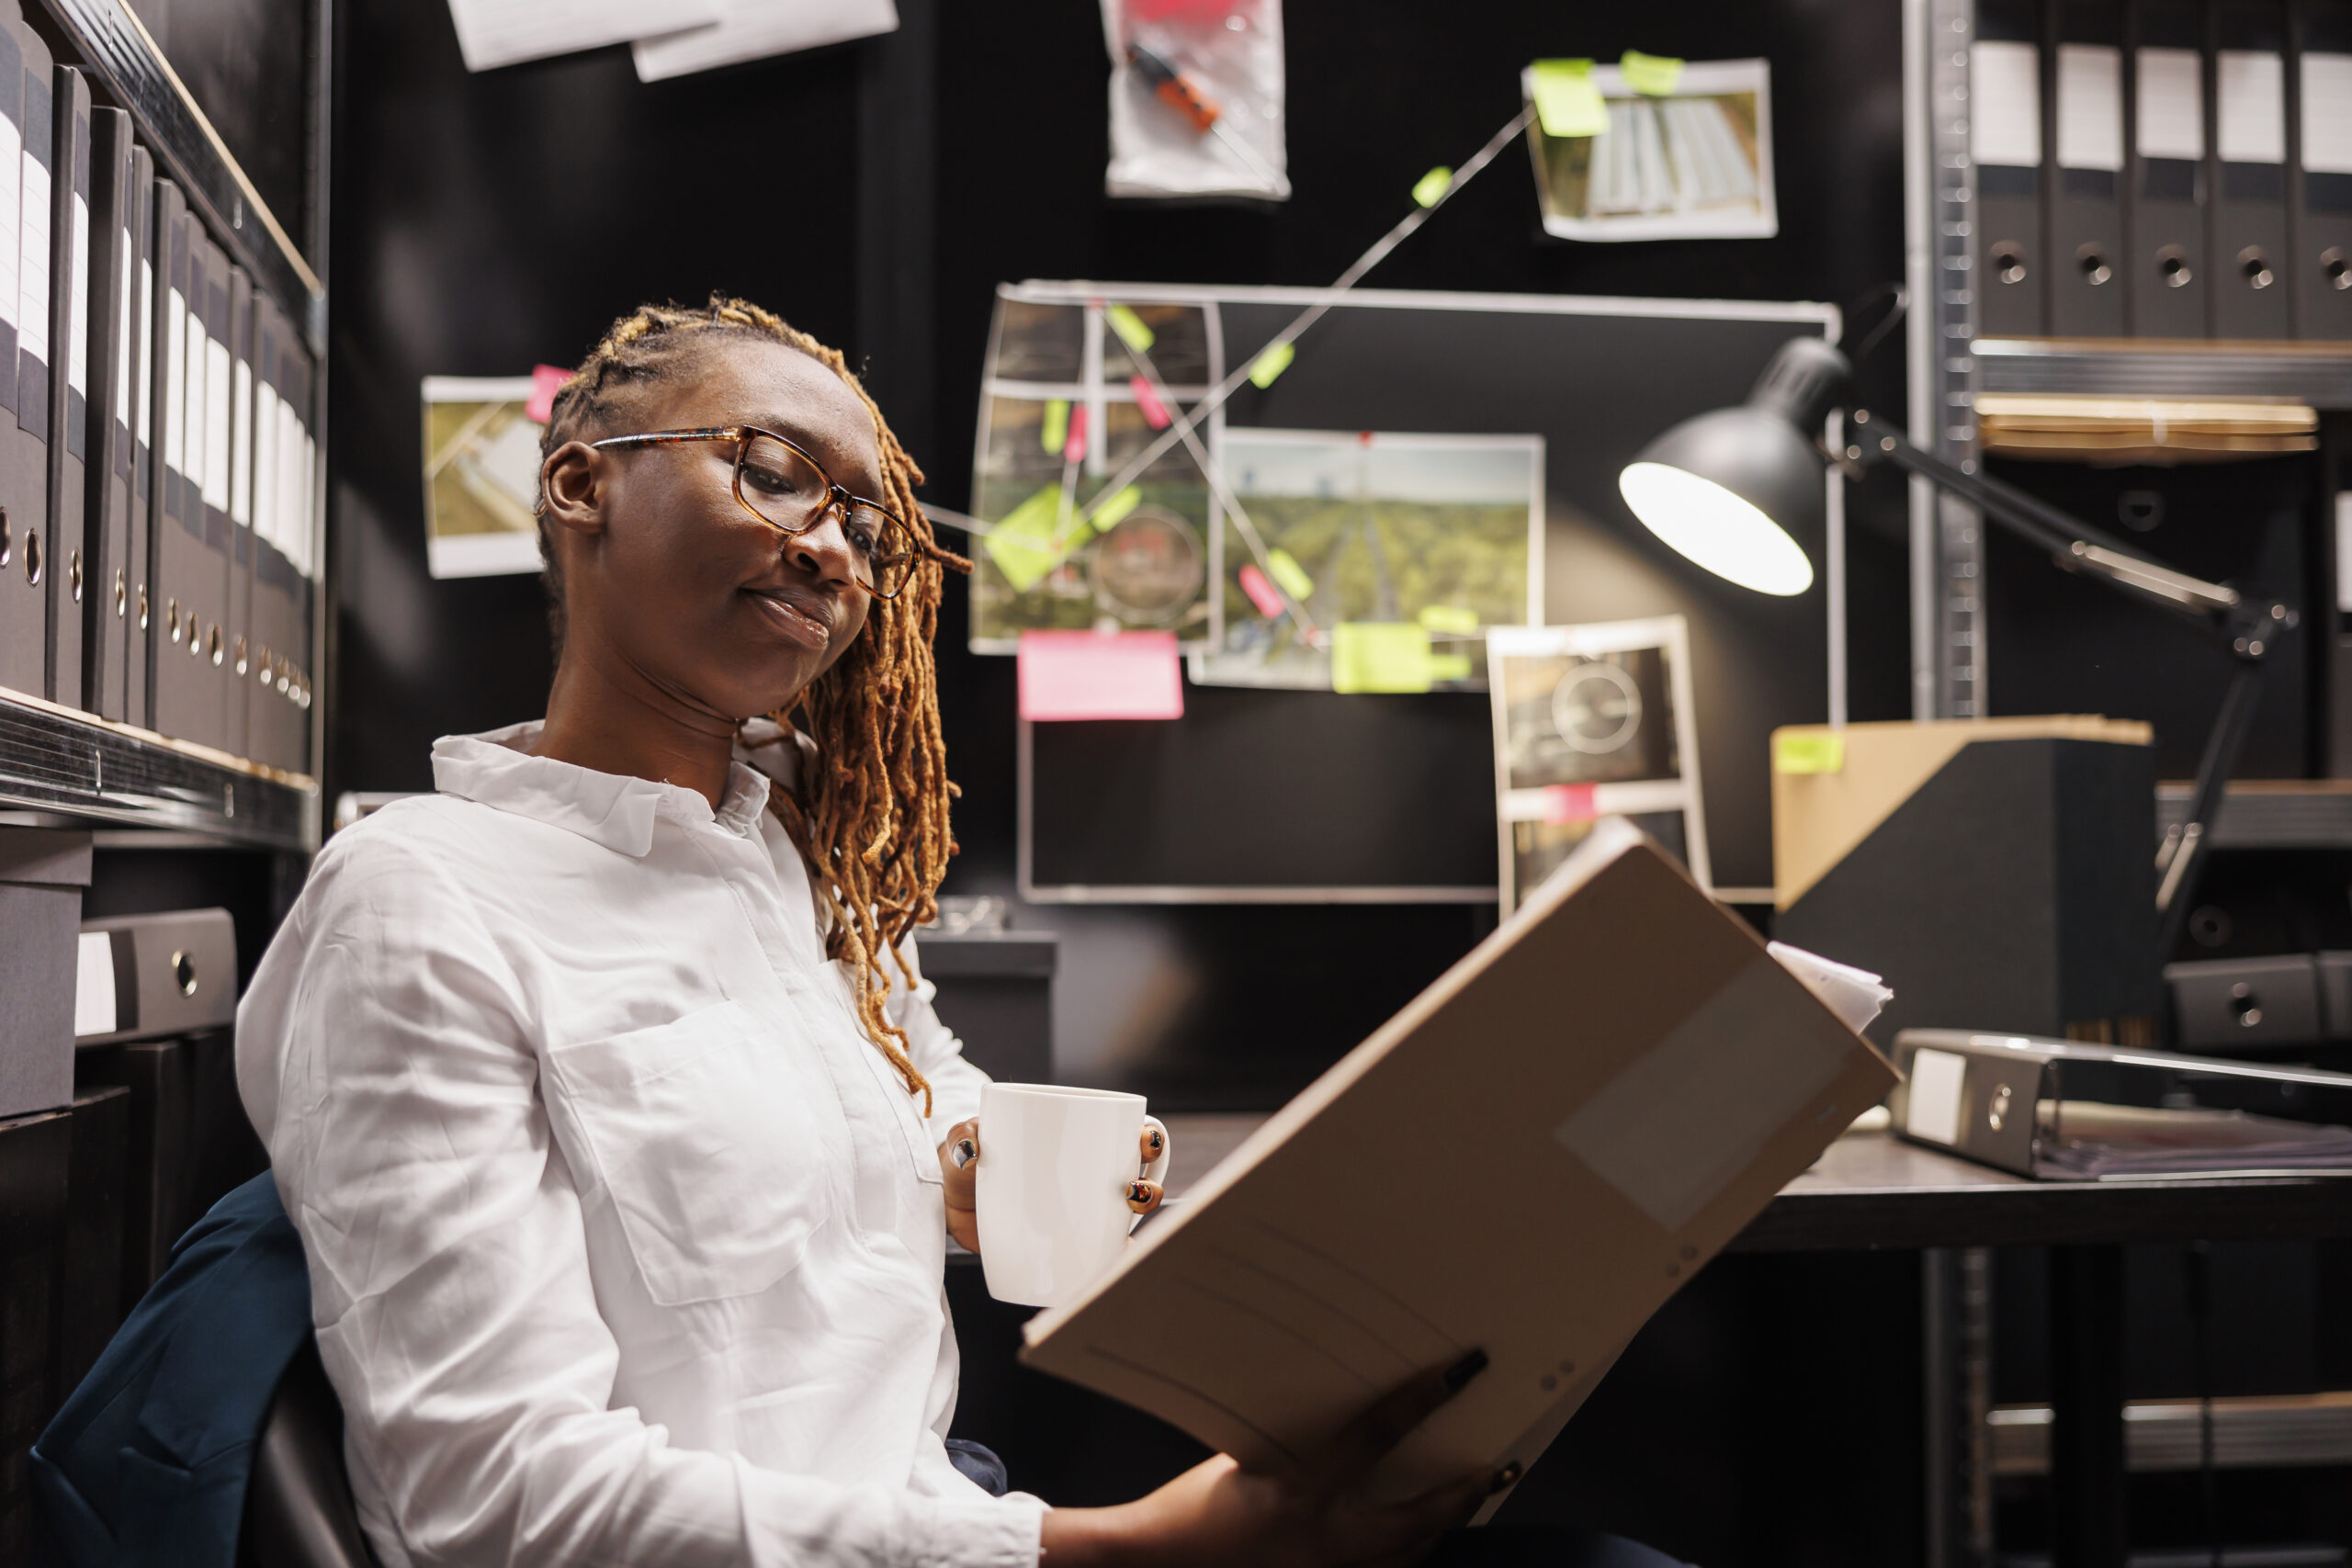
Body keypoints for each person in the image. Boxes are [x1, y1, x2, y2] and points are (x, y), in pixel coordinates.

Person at [234, 298, 1510, 1568]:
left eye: (864, 526)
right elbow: (495, 1505)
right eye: (779, 476)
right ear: (581, 486)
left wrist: (989, 1162)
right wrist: (1125, 1553)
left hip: (942, 1504)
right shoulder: (417, 904)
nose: (836, 553)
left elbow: (920, 1085)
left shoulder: (797, 864)